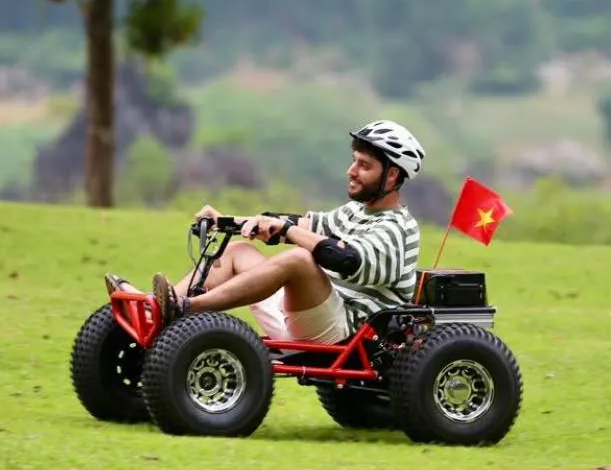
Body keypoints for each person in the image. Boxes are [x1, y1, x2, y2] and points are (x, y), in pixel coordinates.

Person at [148, 119, 425, 343]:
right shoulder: (355, 211)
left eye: (364, 166)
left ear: (392, 175)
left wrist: (289, 230)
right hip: (304, 316)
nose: (351, 171)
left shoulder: (398, 228)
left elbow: (346, 260)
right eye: (354, 161)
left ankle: (185, 308)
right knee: (238, 252)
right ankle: (155, 310)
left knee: (299, 259)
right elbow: (299, 225)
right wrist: (225, 221)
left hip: (344, 333)